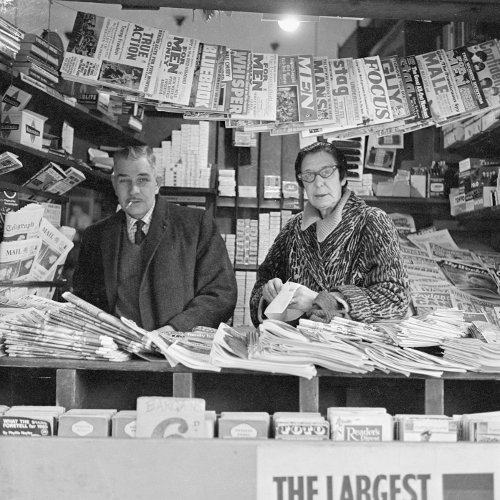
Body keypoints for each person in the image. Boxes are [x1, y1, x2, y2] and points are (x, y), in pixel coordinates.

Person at [73, 145, 237, 332]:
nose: (134, 190)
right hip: (114, 345)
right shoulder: (96, 235)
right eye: (124, 181)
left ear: (157, 183)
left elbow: (221, 294)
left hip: (174, 345)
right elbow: (84, 300)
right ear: (114, 184)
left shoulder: (196, 225)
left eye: (142, 180)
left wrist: (174, 329)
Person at [250, 141, 410, 326]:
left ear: (342, 177)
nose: (318, 183)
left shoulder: (373, 221)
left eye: (326, 172)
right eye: (308, 176)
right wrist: (269, 294)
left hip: (354, 343)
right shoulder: (293, 229)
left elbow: (395, 299)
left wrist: (322, 302)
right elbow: (260, 288)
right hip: (297, 342)